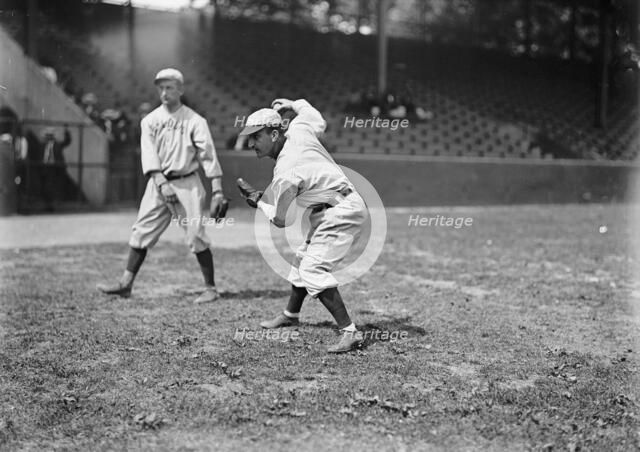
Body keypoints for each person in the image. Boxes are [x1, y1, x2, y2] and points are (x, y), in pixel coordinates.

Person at [236, 98, 367, 353]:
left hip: (340, 213)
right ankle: (291, 314)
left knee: (312, 269)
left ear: (274, 134)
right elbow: (314, 114)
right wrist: (293, 103)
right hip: (335, 208)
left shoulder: (286, 169)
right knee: (301, 258)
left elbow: (281, 220)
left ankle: (350, 332)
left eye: (256, 136)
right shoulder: (298, 128)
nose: (251, 143)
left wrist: (259, 202)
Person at [97, 68, 228, 303]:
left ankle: (210, 288)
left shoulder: (195, 121)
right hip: (158, 183)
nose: (164, 92)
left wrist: (217, 189)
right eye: (161, 87)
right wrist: (160, 182)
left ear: (181, 90)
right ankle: (126, 284)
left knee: (195, 234)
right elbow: (148, 154)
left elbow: (208, 155)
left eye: (169, 87)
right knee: (141, 231)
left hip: (187, 182)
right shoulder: (150, 120)